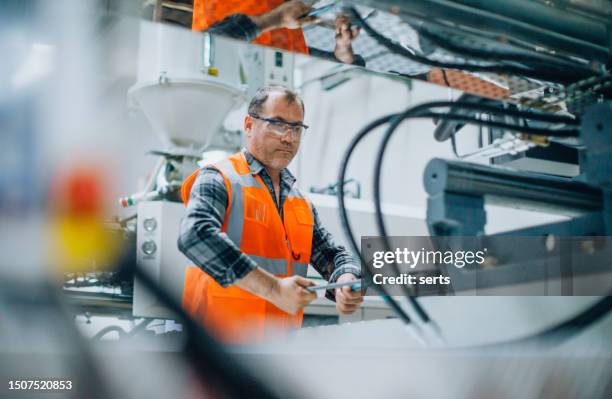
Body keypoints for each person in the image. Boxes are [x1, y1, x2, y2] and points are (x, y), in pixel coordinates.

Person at [178, 85, 363, 343]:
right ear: (249, 125)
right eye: (277, 124)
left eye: (296, 128)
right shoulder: (219, 178)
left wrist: (346, 279)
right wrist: (273, 289)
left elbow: (334, 256)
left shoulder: (300, 202)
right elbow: (195, 235)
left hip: (276, 354)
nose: (288, 138)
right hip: (216, 352)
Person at [193, 0, 365, 66]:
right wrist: (343, 50)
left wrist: (278, 18)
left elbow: (207, 45)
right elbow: (340, 65)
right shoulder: (290, 72)